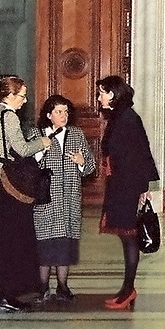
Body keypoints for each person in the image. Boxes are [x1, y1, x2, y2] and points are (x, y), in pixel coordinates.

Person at [0, 75, 51, 313]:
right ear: (9, 96)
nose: (25, 100)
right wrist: (42, 142)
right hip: (7, 184)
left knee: (1, 241)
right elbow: (21, 149)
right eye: (21, 95)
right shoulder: (9, 117)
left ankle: (2, 295)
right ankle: (7, 296)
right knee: (12, 241)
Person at [96, 74, 159, 310]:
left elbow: (141, 152)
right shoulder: (119, 116)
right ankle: (126, 288)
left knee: (129, 236)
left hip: (127, 186)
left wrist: (144, 188)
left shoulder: (128, 118)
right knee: (126, 237)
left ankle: (129, 289)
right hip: (120, 184)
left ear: (112, 94)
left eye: (102, 92)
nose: (99, 97)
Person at [33, 93, 97, 303]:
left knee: (64, 245)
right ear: (49, 115)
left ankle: (63, 287)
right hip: (46, 200)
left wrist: (80, 162)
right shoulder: (37, 134)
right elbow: (28, 165)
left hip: (69, 199)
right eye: (59, 112)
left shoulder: (76, 135)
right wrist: (42, 149)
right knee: (45, 245)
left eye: (66, 112)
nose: (63, 115)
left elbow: (90, 167)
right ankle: (42, 288)